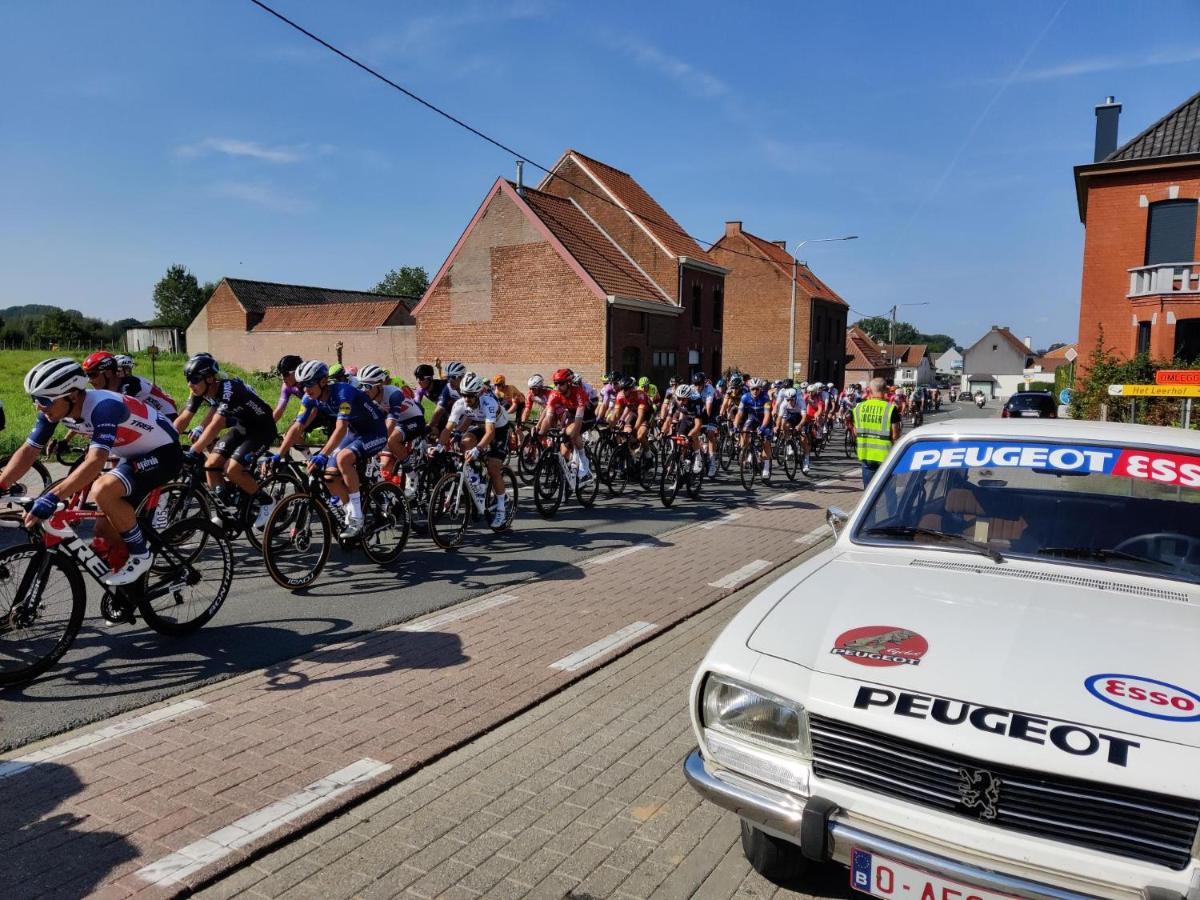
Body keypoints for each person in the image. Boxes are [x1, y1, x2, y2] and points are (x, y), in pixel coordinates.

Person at [1, 358, 183, 586]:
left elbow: (96, 461)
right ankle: (133, 589)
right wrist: (1, 484)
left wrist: (52, 497)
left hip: (164, 452)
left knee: (103, 489)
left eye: (44, 400)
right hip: (132, 453)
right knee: (104, 529)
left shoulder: (104, 407)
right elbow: (28, 452)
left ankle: (141, 555)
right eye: (35, 399)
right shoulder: (53, 411)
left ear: (73, 395)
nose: (39, 406)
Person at [274, 360, 388, 539]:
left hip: (374, 432)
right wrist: (278, 456)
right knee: (329, 477)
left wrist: (323, 455)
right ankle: (350, 512)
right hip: (354, 432)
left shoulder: (343, 393)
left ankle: (357, 517)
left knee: (343, 458)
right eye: (303, 385)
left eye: (310, 384)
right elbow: (297, 427)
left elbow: (341, 428)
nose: (306, 389)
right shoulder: (309, 398)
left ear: (323, 381)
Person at [174, 353, 279, 532]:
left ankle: (267, 502)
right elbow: (184, 417)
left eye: (194, 379)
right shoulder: (199, 390)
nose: (189, 384)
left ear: (209, 378)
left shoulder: (229, 388)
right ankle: (224, 514)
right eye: (188, 379)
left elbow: (217, 423)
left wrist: (194, 450)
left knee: (232, 469)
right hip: (242, 427)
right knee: (211, 464)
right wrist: (166, 441)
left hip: (262, 429)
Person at [441, 372, 510, 527]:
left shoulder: (489, 403)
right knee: (465, 443)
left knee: (493, 467)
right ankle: (476, 479)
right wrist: (439, 445)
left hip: (499, 430)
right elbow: (448, 428)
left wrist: (478, 449)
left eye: (470, 396)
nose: (467, 399)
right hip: (480, 426)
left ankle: (501, 507)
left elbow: (491, 432)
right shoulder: (460, 404)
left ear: (478, 393)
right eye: (464, 395)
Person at [357, 364, 426, 489]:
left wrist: (376, 442)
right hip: (398, 422)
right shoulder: (368, 396)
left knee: (391, 440)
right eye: (360, 385)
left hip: (413, 419)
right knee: (384, 461)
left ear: (379, 385)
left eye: (367, 386)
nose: (363, 390)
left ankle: (411, 473)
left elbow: (391, 423)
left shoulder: (394, 394)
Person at [82, 350, 178, 417]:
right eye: (87, 375)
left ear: (108, 373)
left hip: (166, 414)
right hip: (150, 415)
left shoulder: (130, 385)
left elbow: (117, 414)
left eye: (93, 375)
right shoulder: (108, 385)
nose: (90, 380)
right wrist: (66, 440)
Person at [538, 367, 593, 482]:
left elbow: (577, 423)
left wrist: (568, 433)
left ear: (568, 383)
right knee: (563, 452)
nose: (558, 386)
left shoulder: (578, 392)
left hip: (586, 415)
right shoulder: (554, 394)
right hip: (572, 414)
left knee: (572, 433)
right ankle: (571, 470)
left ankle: (584, 460)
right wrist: (540, 433)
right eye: (556, 383)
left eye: (561, 383)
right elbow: (548, 417)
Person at [850, 377, 902, 487]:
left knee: (869, 492)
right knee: (889, 492)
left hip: (866, 454)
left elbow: (855, 432)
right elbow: (895, 435)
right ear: (885, 390)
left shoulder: (858, 408)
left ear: (870, 390)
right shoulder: (890, 409)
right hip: (885, 456)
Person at [734, 377, 773, 478]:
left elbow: (767, 415)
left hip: (764, 420)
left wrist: (763, 427)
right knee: (744, 431)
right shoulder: (745, 397)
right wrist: (735, 426)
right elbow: (739, 413)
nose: (755, 391)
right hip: (752, 419)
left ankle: (766, 467)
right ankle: (747, 452)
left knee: (765, 442)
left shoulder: (765, 398)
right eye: (753, 389)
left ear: (760, 389)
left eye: (757, 389)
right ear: (749, 389)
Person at [428, 361, 466, 435]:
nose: (450, 380)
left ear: (462, 377)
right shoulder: (448, 388)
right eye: (448, 377)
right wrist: (428, 427)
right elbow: (438, 411)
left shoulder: (469, 388)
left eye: (453, 377)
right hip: (459, 416)